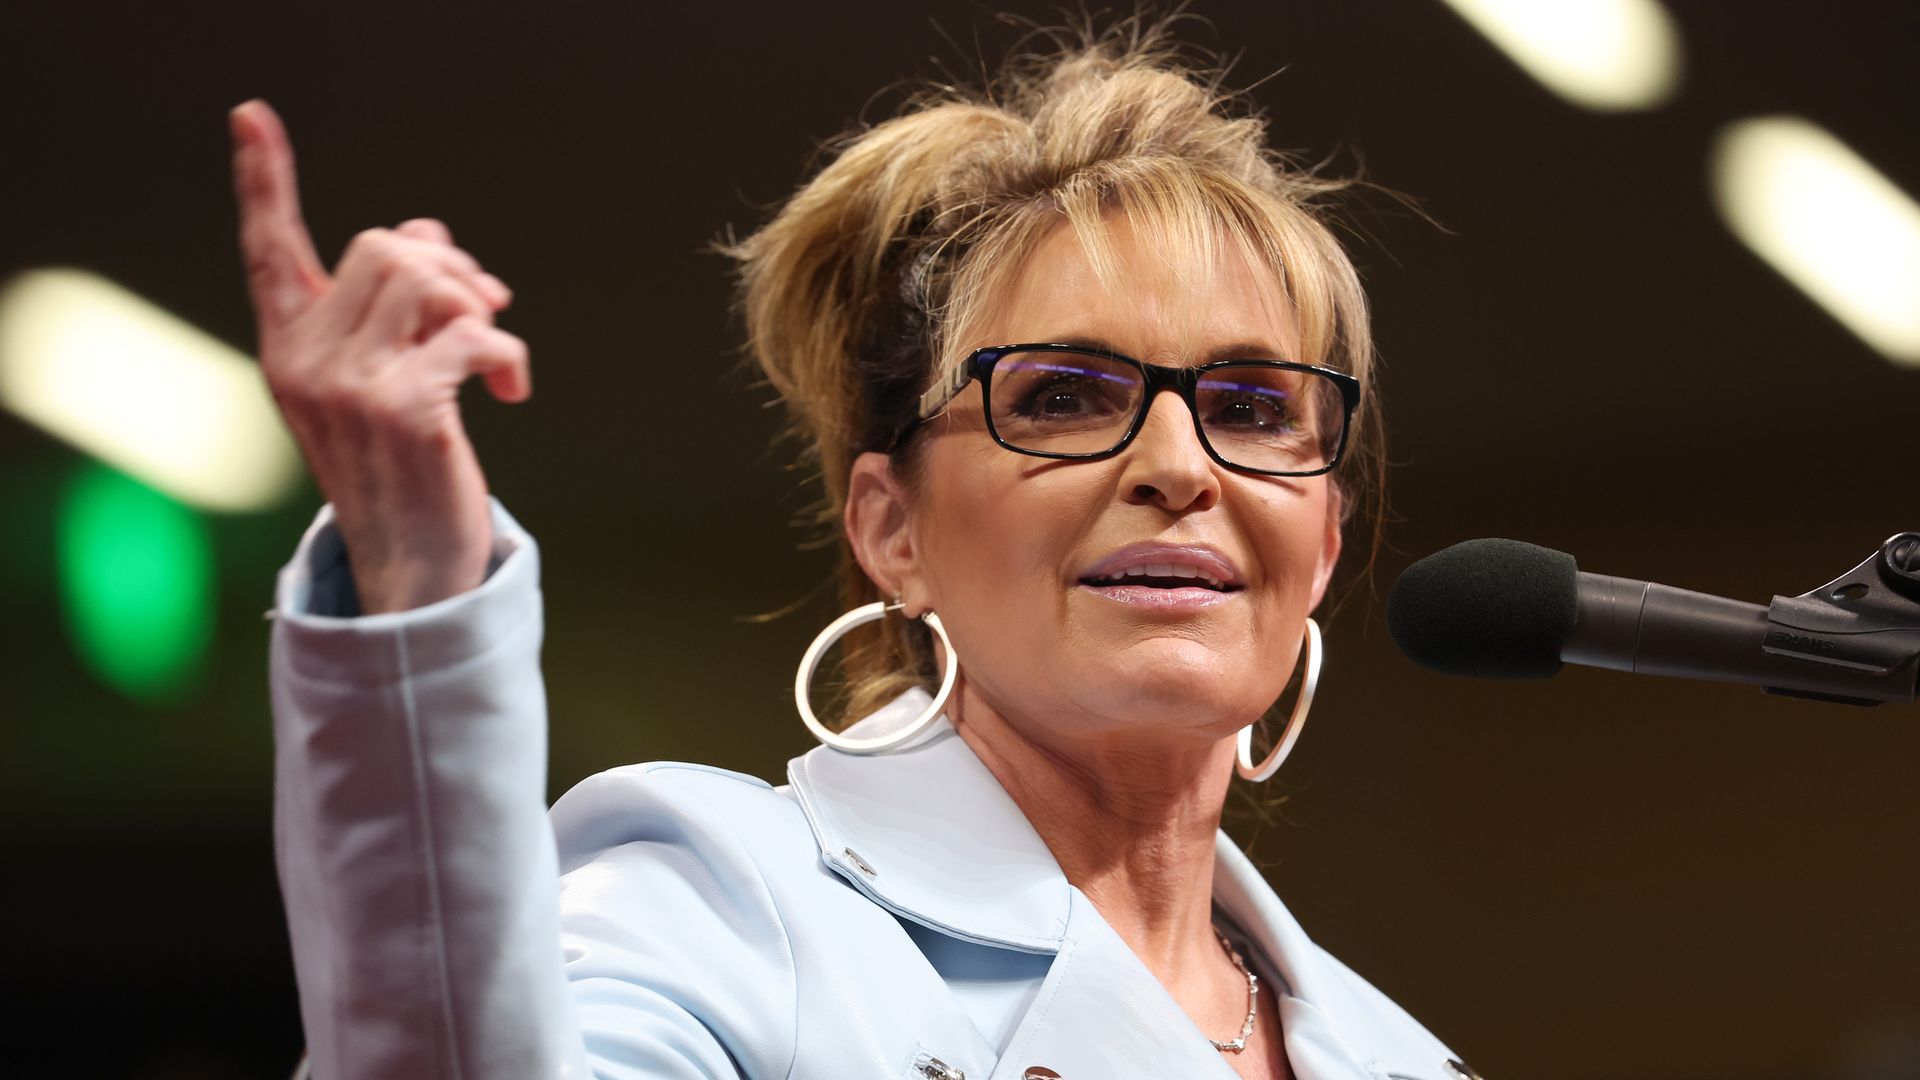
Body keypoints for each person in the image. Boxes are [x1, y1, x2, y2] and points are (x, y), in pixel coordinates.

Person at [238, 22, 1478, 1080]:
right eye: (1062, 397)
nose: (1180, 464)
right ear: (893, 530)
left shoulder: (1406, 1057)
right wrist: (415, 590)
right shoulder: (722, 905)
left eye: (1252, 409)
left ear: (1323, 542)